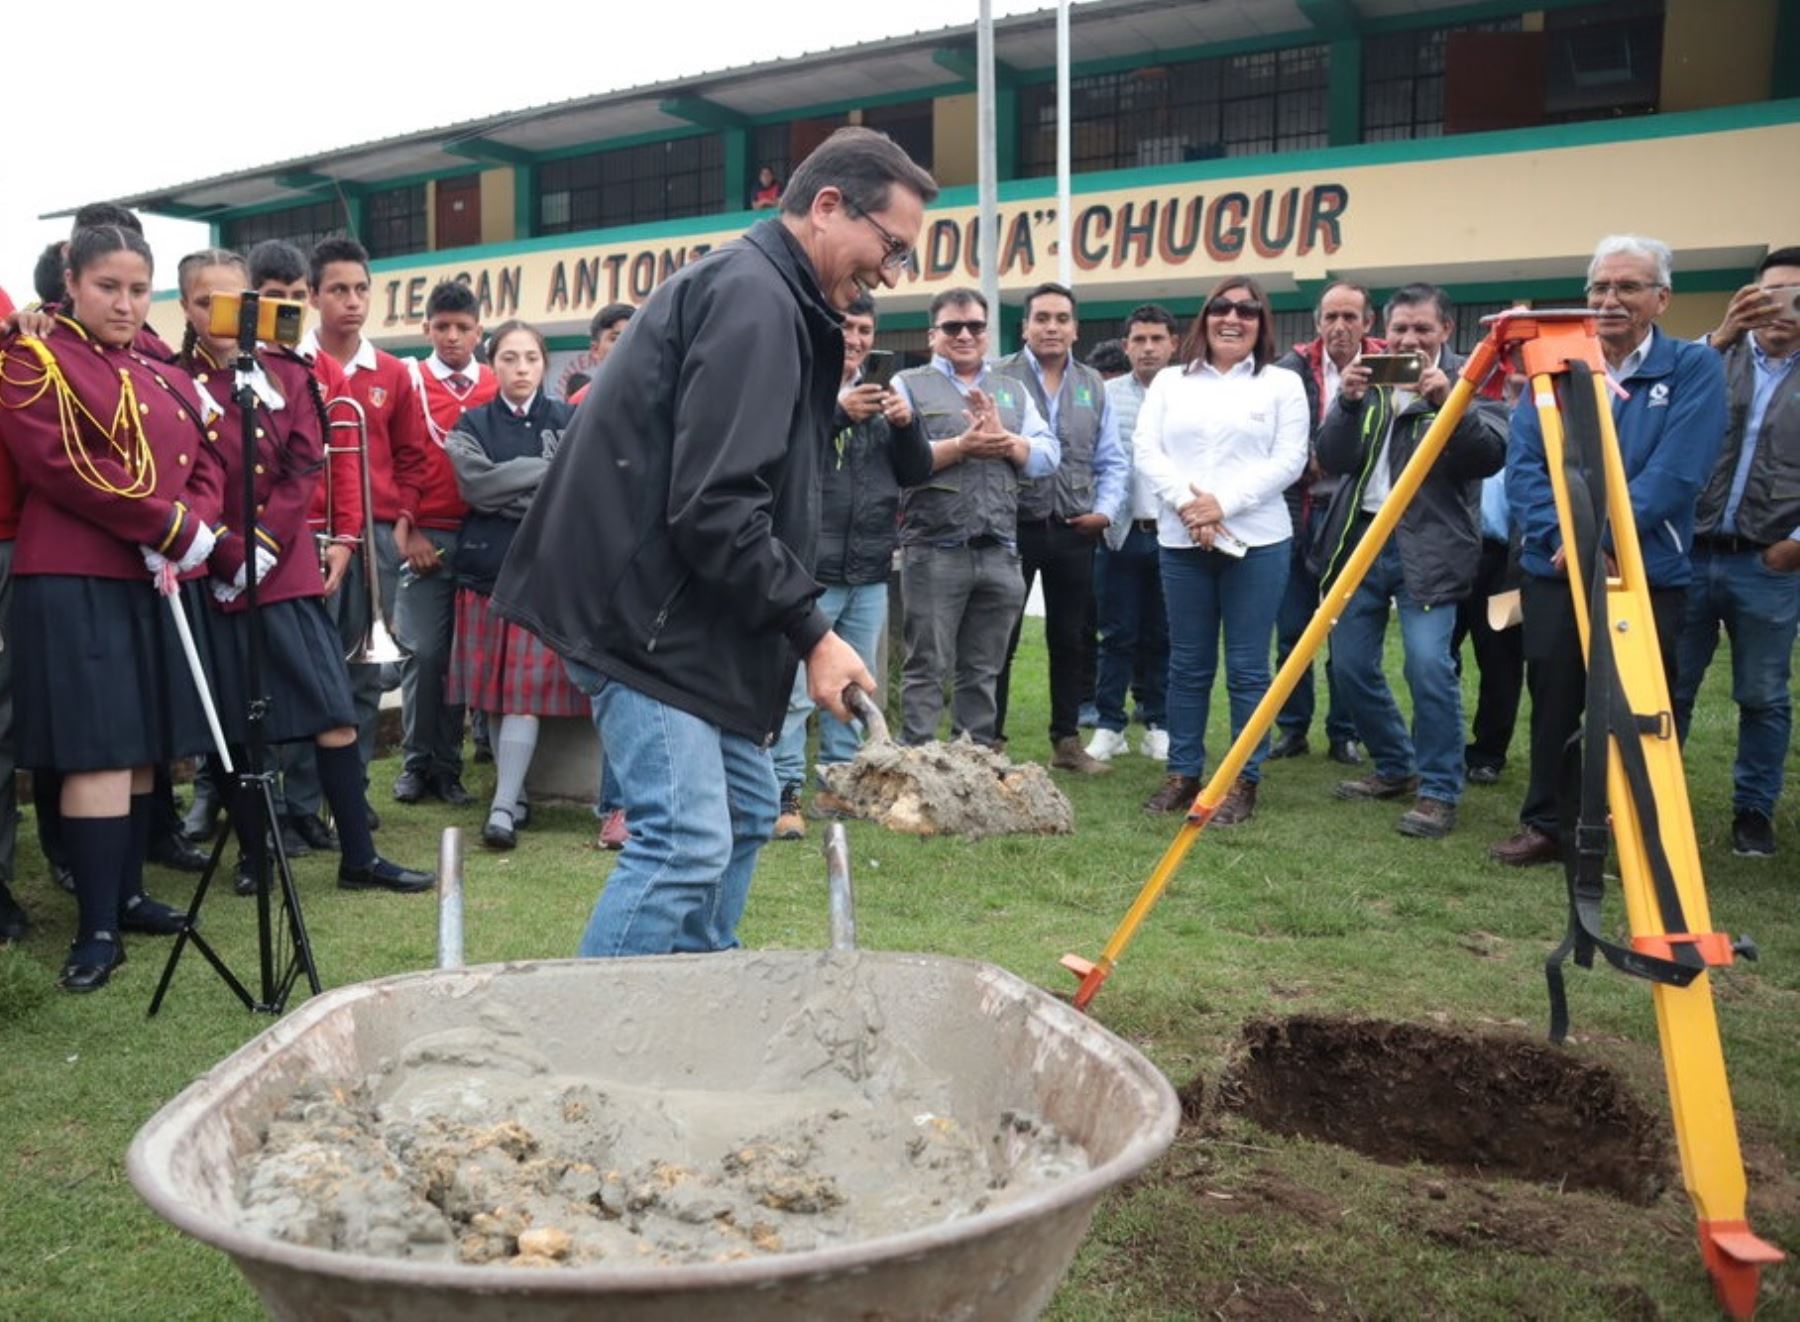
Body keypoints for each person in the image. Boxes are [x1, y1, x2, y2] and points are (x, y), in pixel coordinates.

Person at [495, 126, 938, 957]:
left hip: (692, 618)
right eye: (891, 247)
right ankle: (594, 1063)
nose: (890, 273)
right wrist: (814, 632)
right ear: (829, 207)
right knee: (685, 841)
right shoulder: (754, 300)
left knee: (742, 815)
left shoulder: (779, 298)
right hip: (643, 620)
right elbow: (715, 506)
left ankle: (698, 1004)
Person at [0, 225, 222, 991]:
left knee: (137, 746)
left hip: (149, 576)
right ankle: (95, 928)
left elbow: (208, 453)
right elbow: (61, 465)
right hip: (72, 573)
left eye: (137, 289)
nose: (125, 304)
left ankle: (126, 895)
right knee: (97, 748)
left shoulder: (158, 370)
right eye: (108, 288)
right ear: (72, 280)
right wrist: (168, 526)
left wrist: (195, 526)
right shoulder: (32, 357)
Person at [172, 249, 431, 897]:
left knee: (332, 709)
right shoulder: (173, 378)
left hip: (282, 562)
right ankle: (256, 856)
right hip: (211, 564)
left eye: (237, 302)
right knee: (238, 725)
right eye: (208, 303)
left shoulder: (288, 368)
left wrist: (263, 545)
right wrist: (225, 551)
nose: (226, 315)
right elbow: (181, 471)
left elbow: (301, 462)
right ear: (186, 308)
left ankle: (360, 857)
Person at [1491, 234, 1728, 867]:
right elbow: (1526, 466)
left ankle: (1637, 831)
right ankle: (1550, 824)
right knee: (1555, 692)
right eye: (1599, 287)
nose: (1610, 300)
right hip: (1556, 568)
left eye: (1627, 287)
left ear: (1662, 298)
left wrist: (1604, 540)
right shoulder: (1558, 365)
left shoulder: (1693, 369)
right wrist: (1567, 539)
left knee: (1644, 701)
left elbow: (1678, 474)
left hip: (1646, 570)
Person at [1312, 284, 1507, 839]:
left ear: (1447, 330)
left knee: (1427, 665)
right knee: (1348, 666)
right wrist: (1347, 404)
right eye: (1400, 329)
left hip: (1430, 547)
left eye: (1422, 329)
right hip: (1361, 541)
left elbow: (1488, 457)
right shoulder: (1369, 382)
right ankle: (1396, 764)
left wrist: (1451, 402)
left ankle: (1440, 790)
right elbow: (1333, 458)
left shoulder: (1473, 382)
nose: (1409, 340)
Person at [1136, 277, 1308, 822]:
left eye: (1247, 310)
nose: (1233, 319)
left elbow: (1288, 461)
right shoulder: (1169, 382)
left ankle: (1241, 779)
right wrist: (1194, 508)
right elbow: (1148, 449)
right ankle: (1184, 772)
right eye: (1222, 308)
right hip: (1183, 538)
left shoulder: (1282, 385)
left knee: (1248, 668)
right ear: (1205, 316)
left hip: (1256, 541)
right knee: (1186, 664)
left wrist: (1222, 505)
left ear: (1263, 322)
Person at [770, 294, 929, 838]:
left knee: (854, 688)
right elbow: (782, 455)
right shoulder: (798, 385)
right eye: (847, 329)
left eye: (865, 330)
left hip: (869, 569)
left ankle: (838, 787)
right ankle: (783, 792)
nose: (856, 340)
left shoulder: (888, 397)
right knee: (796, 692)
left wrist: (907, 426)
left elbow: (917, 471)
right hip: (809, 571)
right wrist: (837, 412)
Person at [892, 288, 1059, 747]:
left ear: (988, 334)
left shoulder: (1013, 391)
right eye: (952, 327)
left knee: (984, 668)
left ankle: (974, 765)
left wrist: (1008, 442)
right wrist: (961, 447)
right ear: (933, 335)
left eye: (975, 327)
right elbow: (899, 461)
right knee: (927, 665)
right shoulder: (906, 385)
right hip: (934, 550)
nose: (964, 335)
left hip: (1001, 550)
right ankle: (919, 763)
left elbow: (1047, 455)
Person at [1674, 247, 1800, 857]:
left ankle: (1753, 810)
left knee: (1763, 693)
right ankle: (1658, 802)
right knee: (1671, 685)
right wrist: (1723, 333)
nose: (1786, 309)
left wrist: (1796, 546)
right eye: (1773, 293)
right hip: (1689, 553)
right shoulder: (1711, 357)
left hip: (1767, 562)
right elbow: (1661, 395)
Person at [440, 320, 585, 849]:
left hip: (542, 572)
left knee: (522, 693)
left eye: (529, 358)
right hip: (483, 568)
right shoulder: (472, 421)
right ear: (492, 363)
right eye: (508, 358)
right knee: (492, 696)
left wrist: (511, 483)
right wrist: (541, 472)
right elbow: (474, 488)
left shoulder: (569, 419)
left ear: (544, 364)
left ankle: (503, 806)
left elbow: (573, 489)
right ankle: (514, 794)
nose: (520, 368)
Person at [299, 239, 432, 807]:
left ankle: (348, 798)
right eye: (337, 290)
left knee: (362, 669)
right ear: (311, 296)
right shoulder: (294, 366)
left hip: (375, 536)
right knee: (307, 666)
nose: (352, 302)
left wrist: (402, 521)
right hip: (309, 533)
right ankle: (302, 802)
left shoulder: (394, 372)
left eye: (360, 290)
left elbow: (413, 454)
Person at [992, 283, 1127, 773]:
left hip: (1075, 527)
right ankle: (991, 743)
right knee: (999, 637)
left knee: (1071, 638)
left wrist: (1106, 512)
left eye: (1062, 318)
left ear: (1076, 327)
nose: (1052, 327)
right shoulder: (996, 377)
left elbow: (1112, 460)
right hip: (1013, 525)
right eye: (1042, 318)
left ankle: (1067, 743)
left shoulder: (1093, 383)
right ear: (1025, 325)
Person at [390, 282, 497, 809]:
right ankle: (415, 763)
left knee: (461, 658)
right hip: (426, 537)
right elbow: (398, 460)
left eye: (463, 328)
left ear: (479, 331)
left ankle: (448, 767)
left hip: (482, 538)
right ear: (427, 328)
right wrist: (407, 529)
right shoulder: (410, 379)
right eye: (442, 327)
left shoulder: (496, 385)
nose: (453, 337)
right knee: (424, 652)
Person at [1268, 281, 1379, 766]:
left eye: (1350, 317)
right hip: (1297, 515)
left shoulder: (1388, 366)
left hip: (1354, 518)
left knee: (1344, 630)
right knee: (1292, 631)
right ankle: (1292, 729)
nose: (1339, 327)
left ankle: (1343, 732)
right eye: (1331, 317)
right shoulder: (1287, 369)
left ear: (1367, 323)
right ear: (1317, 323)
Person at [1086, 305, 1177, 765]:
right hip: (1120, 534)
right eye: (1139, 339)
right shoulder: (1106, 395)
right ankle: (1109, 725)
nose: (1147, 348)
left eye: (1156, 339)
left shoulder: (1188, 392)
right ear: (1126, 346)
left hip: (1173, 534)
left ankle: (1159, 723)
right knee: (1116, 635)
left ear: (1172, 344)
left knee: (1163, 635)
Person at [563, 299, 635, 848]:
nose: (626, 344)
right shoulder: (581, 404)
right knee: (616, 688)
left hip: (646, 567)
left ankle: (637, 807)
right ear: (596, 348)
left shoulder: (660, 394)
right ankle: (615, 809)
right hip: (596, 567)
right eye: (615, 337)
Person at [567, 302, 634, 408]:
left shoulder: (659, 396)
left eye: (632, 337)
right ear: (595, 350)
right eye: (615, 338)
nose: (625, 344)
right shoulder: (580, 402)